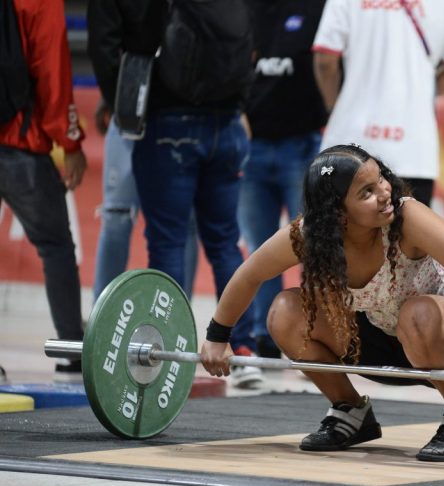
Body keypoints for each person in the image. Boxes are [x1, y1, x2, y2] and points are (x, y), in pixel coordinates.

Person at [200, 144, 444, 462]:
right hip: (382, 337)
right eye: (367, 192)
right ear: (338, 214)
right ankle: (351, 411)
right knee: (285, 312)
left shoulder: (407, 218)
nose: (385, 192)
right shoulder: (312, 235)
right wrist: (218, 337)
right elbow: (250, 275)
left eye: (381, 180)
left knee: (417, 314)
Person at [87, 0, 258, 366]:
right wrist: (238, 104)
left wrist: (125, 104)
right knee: (225, 241)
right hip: (226, 121)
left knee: (167, 241)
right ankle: (242, 346)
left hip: (166, 122)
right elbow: (250, 41)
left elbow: (103, 46)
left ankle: (171, 349)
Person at [231, 0, 329, 388]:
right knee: (262, 248)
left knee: (314, 245)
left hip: (301, 145)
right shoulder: (242, 11)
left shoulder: (318, 8)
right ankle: (266, 338)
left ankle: (314, 338)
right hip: (252, 147)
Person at [312, 0, 444, 207]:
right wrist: (423, 92)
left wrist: (333, 107)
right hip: (414, 151)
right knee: (407, 236)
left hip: (350, 144)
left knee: (340, 236)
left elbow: (325, 60)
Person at [0, 0, 87, 382]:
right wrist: (70, 144)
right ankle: (70, 351)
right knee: (55, 246)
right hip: (20, 144)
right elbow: (53, 70)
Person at [91, 99, 199, 302]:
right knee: (116, 218)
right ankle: (101, 315)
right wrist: (109, 95)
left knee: (182, 225)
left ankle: (176, 318)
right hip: (130, 117)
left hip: (180, 115)